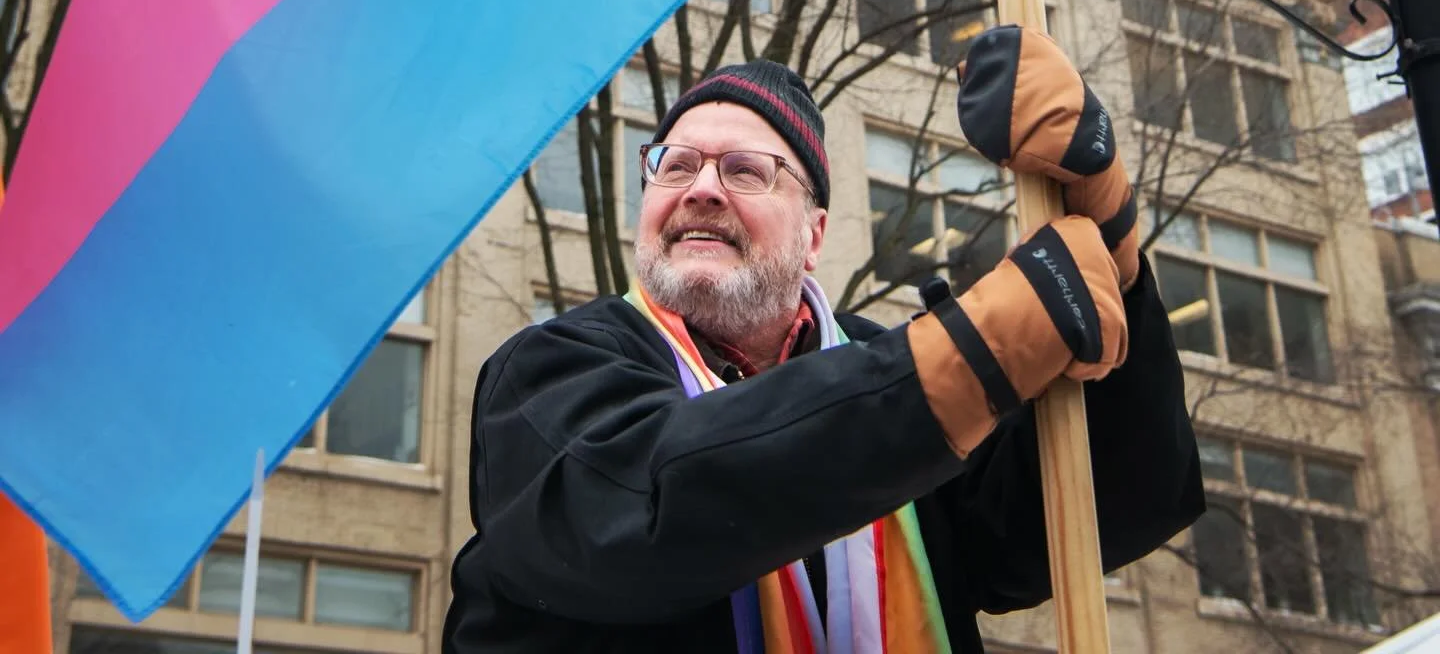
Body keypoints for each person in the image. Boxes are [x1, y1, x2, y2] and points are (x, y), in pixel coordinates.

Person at [444, 37, 1202, 653]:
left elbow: (1105, 500)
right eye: (674, 165)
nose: (701, 188)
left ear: (813, 236)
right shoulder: (549, 370)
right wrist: (975, 355)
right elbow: (650, 508)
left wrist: (1111, 248)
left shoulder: (889, 372)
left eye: (746, 170)